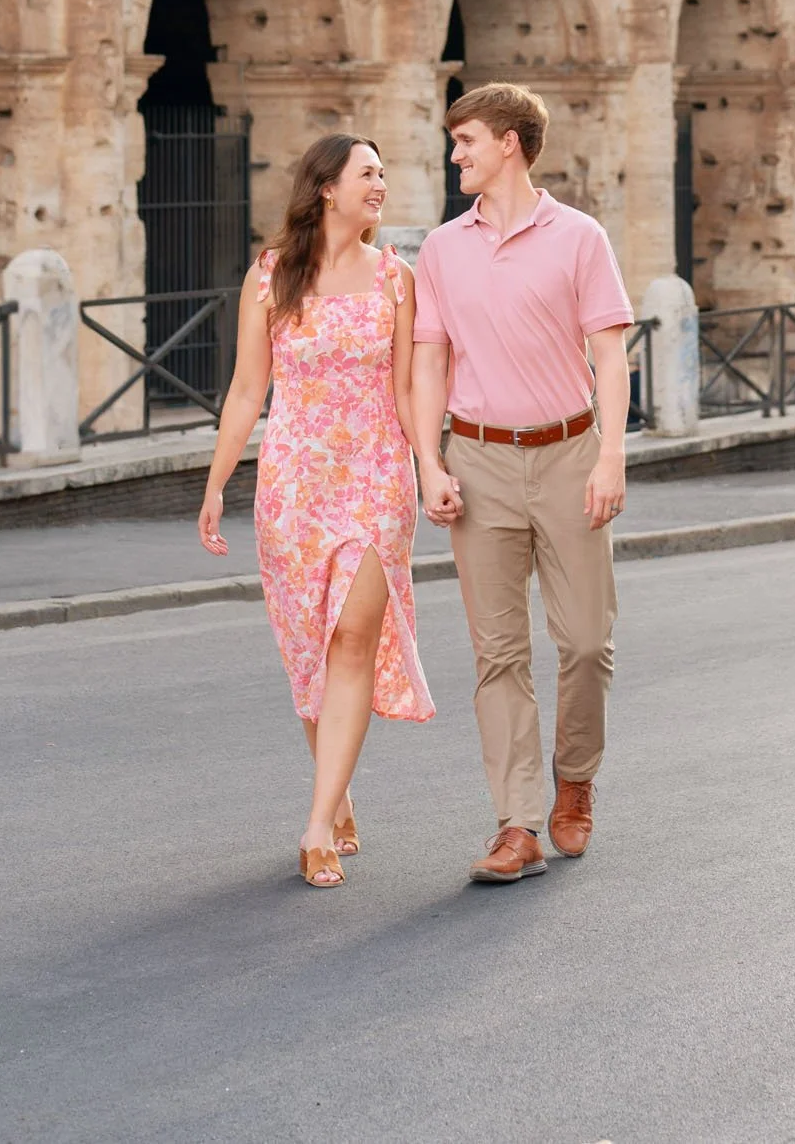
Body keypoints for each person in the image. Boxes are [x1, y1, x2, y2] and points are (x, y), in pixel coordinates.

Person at [411, 82, 633, 885]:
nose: (455, 155)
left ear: (509, 141)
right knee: (497, 654)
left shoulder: (578, 237)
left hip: (571, 453)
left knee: (582, 641)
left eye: (465, 140)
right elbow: (428, 362)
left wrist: (610, 457)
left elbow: (608, 354)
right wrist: (428, 462)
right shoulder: (440, 249)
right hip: (477, 462)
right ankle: (517, 823)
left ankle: (575, 777)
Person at [198, 133, 433, 889]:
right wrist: (215, 482)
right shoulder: (271, 277)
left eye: (383, 174)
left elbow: (404, 391)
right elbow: (245, 390)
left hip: (373, 479)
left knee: (352, 643)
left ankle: (314, 825)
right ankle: (339, 794)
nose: (381, 185)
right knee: (310, 649)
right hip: (293, 484)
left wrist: (429, 466)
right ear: (325, 187)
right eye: (368, 173)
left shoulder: (397, 280)